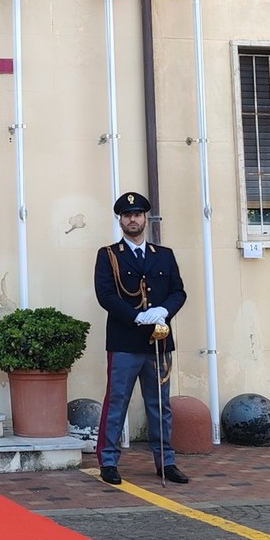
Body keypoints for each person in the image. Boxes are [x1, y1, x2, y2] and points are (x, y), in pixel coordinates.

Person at [93, 191, 190, 485]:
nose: (132, 219)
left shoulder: (164, 255)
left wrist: (164, 311)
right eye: (127, 215)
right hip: (125, 341)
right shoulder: (109, 255)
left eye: (137, 214)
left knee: (159, 405)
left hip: (158, 341)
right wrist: (135, 316)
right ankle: (108, 461)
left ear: (145, 218)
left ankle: (165, 461)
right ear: (120, 220)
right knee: (117, 402)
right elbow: (105, 295)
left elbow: (178, 292)